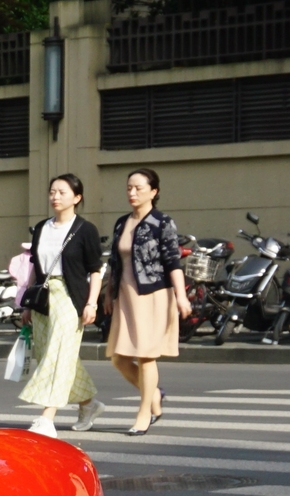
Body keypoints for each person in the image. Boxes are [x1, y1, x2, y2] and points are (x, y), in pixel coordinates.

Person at [16, 173, 108, 437]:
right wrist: (26, 303)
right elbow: (35, 266)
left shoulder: (85, 229)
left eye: (62, 192)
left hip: (71, 297)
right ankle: (89, 405)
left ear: (76, 198)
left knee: (58, 354)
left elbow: (95, 270)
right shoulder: (42, 227)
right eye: (52, 192)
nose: (55, 197)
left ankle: (47, 418)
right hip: (44, 299)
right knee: (53, 355)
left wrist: (91, 303)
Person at [101, 167, 188, 435]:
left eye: (138, 188)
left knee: (146, 357)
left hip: (153, 296)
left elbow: (173, 261)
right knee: (118, 358)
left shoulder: (162, 223)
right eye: (129, 187)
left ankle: (143, 414)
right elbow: (115, 262)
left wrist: (181, 295)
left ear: (154, 191)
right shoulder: (121, 222)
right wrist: (108, 291)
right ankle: (154, 396)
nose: (132, 192)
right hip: (125, 296)